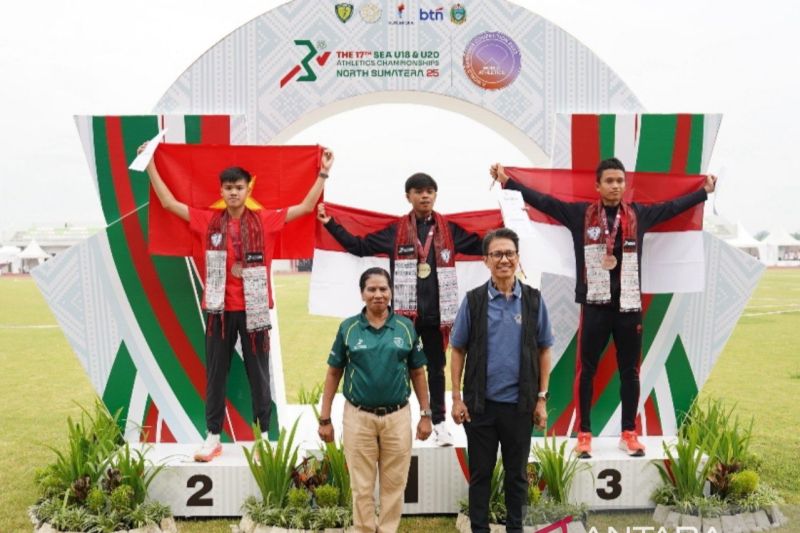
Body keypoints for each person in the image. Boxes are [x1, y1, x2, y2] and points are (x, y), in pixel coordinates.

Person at [490, 158, 717, 458]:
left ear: (625, 185)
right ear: (597, 186)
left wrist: (703, 192)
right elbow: (543, 201)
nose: (615, 186)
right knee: (587, 371)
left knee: (630, 372)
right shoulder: (579, 215)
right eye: (609, 181)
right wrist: (508, 181)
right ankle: (584, 434)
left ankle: (629, 433)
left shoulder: (638, 215)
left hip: (628, 307)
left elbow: (674, 207)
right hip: (595, 307)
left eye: (620, 181)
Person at [140, 143, 333, 461]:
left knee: (259, 375)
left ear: (247, 190)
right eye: (228, 188)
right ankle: (213, 437)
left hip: (253, 310)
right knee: (216, 374)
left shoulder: (265, 220)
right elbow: (168, 203)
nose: (233, 192)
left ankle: (263, 439)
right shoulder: (207, 220)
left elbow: (306, 206)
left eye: (239, 187)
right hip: (219, 311)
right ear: (221, 191)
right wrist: (149, 164)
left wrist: (323, 172)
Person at [316, 172, 483, 446]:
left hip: (437, 317)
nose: (425, 196)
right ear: (408, 196)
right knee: (397, 368)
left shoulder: (449, 230)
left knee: (436, 370)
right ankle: (400, 420)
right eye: (419, 191)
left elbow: (481, 244)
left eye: (429, 191)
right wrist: (331, 224)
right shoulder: (396, 231)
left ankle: (439, 423)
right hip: (404, 319)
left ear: (435, 195)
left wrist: (509, 229)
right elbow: (359, 246)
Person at [449, 228, 553, 533]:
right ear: (486, 260)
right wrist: (456, 398)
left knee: (517, 476)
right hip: (480, 407)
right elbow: (457, 349)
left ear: (518, 258)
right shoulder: (474, 301)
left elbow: (545, 348)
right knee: (480, 475)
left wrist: (541, 399)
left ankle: (515, 529)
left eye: (509, 253)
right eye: (497, 254)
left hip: (520, 407)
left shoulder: (533, 300)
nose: (504, 259)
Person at [317, 267, 433, 533]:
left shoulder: (405, 327)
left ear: (391, 292)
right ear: (362, 294)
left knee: (395, 485)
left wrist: (426, 415)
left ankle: (388, 529)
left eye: (383, 289)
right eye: (371, 289)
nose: (378, 294)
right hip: (358, 417)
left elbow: (418, 372)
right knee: (361, 486)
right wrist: (325, 418)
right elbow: (334, 373)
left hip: (397, 417)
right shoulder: (348, 328)